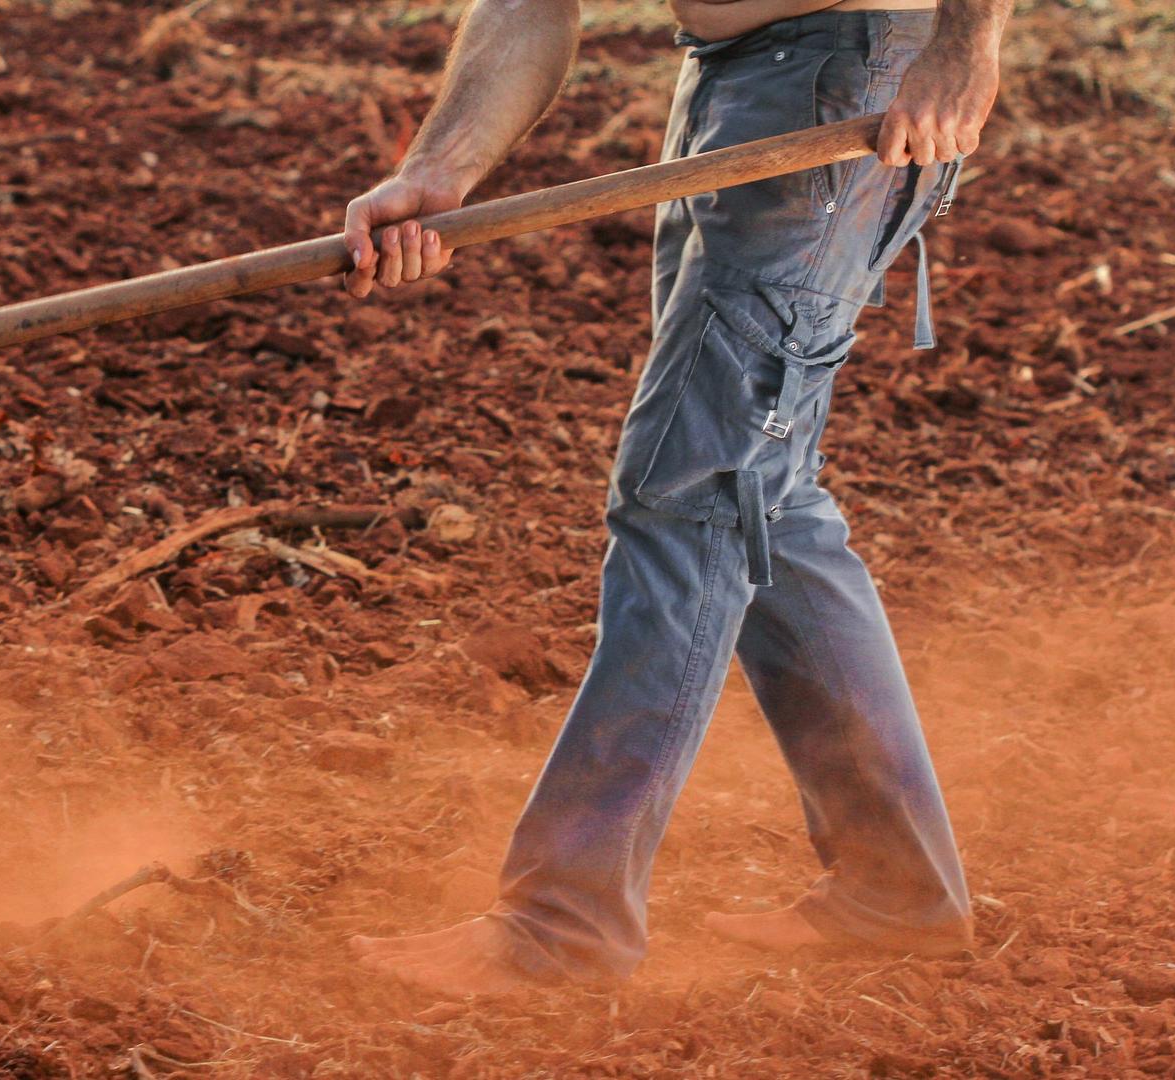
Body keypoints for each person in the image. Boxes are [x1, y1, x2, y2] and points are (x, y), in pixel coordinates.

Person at [342, 0, 1009, 995]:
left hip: (852, 80)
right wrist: (440, 169)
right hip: (737, 83)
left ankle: (560, 927)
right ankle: (895, 885)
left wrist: (967, 42)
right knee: (759, 494)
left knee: (689, 494)